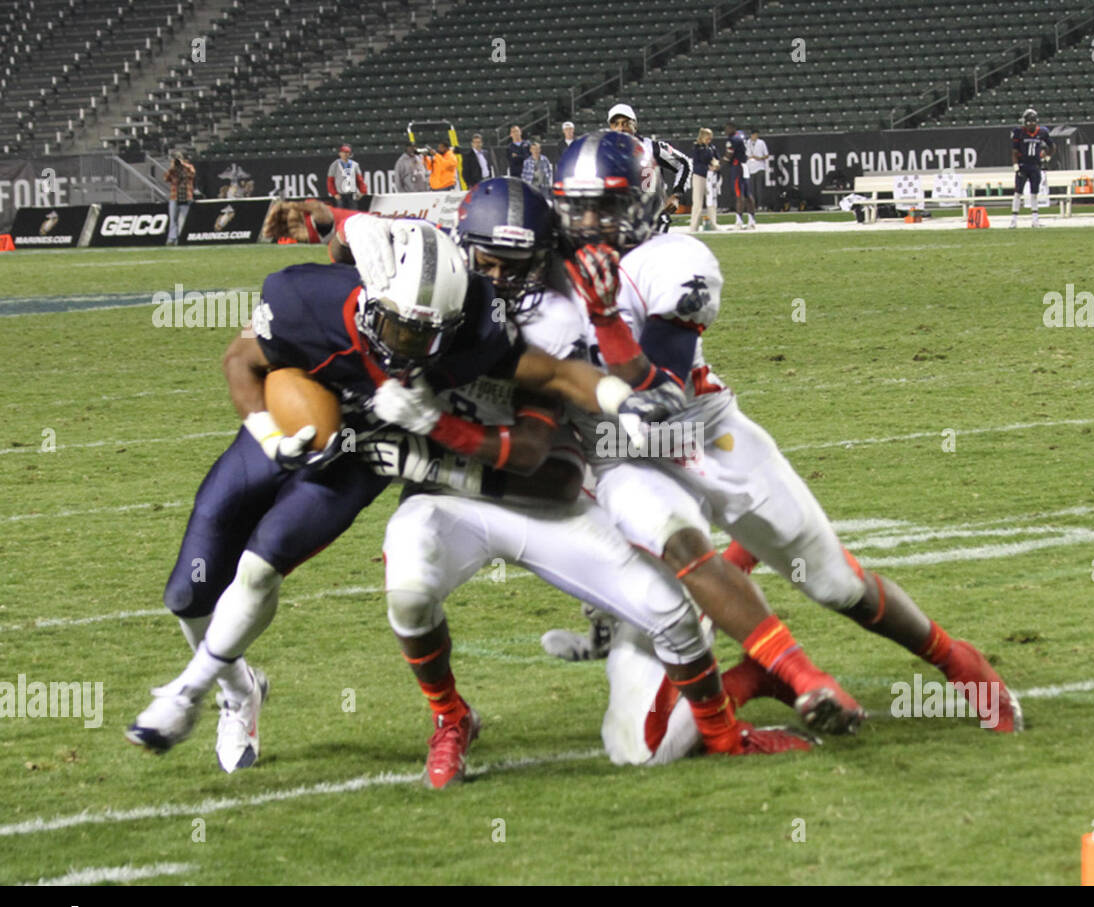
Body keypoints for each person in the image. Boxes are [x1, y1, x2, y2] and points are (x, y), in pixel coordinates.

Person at [125, 216, 684, 770]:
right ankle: (240, 685)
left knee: (259, 568)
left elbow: (556, 375)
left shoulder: (471, 329)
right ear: (371, 304)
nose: (410, 347)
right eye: (397, 329)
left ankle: (189, 695)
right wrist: (270, 437)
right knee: (187, 594)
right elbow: (241, 361)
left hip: (362, 454)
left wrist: (623, 399)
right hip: (288, 426)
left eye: (425, 334)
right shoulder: (304, 299)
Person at [549, 131, 1023, 736]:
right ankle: (755, 671)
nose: (590, 224)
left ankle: (959, 663)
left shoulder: (672, 261)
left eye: (607, 207)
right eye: (576, 207)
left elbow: (660, 396)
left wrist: (607, 317)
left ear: (643, 202)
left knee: (835, 583)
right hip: (623, 460)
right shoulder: (536, 276)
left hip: (703, 431)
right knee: (655, 719)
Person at [375, 179, 814, 783]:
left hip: (537, 493)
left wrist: (432, 438)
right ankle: (452, 718)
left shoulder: (553, 321)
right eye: (487, 261)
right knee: (408, 585)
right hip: (452, 501)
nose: (501, 277)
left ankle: (725, 726)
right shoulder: (432, 298)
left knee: (671, 616)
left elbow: (544, 446)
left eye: (518, 264)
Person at [606, 103, 691, 234]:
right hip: (620, 222)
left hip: (653, 220)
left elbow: (684, 163)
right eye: (615, 124)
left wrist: (676, 195)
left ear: (635, 125)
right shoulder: (605, 153)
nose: (620, 128)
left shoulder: (651, 147)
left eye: (625, 123)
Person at [1009, 108, 1052, 228]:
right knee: (1018, 193)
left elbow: (1052, 146)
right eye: (1029, 122)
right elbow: (1014, 151)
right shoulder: (1019, 132)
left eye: (1033, 122)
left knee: (1034, 193)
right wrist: (1016, 167)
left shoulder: (1042, 132)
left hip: (1035, 166)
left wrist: (1047, 157)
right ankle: (1013, 220)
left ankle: (1035, 220)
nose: (1031, 124)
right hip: (1023, 166)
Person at [720, 121, 756, 229]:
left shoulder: (732, 140)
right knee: (747, 193)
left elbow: (728, 156)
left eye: (727, 129)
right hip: (744, 165)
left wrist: (718, 164)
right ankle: (751, 220)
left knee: (739, 194)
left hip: (737, 167)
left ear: (732, 128)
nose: (726, 131)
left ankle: (739, 221)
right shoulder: (741, 134)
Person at [689, 127, 720, 233]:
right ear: (702, 137)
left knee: (711, 202)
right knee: (697, 202)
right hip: (700, 176)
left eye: (710, 138)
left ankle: (713, 224)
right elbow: (697, 163)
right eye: (707, 138)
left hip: (711, 177)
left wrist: (716, 165)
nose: (709, 140)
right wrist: (708, 167)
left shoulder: (712, 147)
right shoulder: (697, 147)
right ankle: (694, 226)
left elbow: (717, 158)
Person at [163, 150, 196, 245]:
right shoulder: (173, 170)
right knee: (173, 219)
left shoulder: (188, 168)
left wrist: (182, 164)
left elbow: (193, 173)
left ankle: (182, 238)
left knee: (184, 219)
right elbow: (165, 178)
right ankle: (172, 238)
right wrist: (172, 168)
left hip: (186, 196)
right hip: (174, 197)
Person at [327, 144, 367, 209]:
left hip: (351, 193)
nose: (345, 154)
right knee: (341, 211)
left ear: (350, 154)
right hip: (340, 193)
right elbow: (330, 180)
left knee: (353, 212)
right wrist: (334, 193)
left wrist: (363, 191)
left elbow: (359, 179)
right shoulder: (334, 165)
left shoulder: (355, 165)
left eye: (347, 152)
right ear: (340, 153)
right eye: (343, 152)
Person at [745, 128, 770, 211]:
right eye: (754, 134)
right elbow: (744, 155)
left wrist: (759, 158)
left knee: (759, 188)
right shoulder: (746, 143)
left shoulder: (761, 143)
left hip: (759, 167)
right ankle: (752, 205)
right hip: (750, 168)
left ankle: (760, 205)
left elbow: (766, 155)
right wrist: (748, 157)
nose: (755, 136)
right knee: (751, 189)